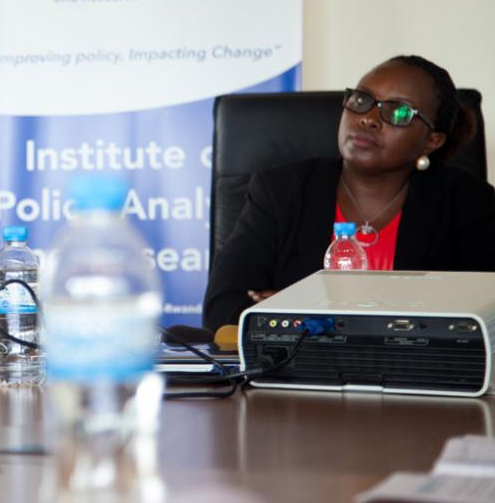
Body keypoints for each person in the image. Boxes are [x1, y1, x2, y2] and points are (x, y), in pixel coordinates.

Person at [203, 55, 495, 333]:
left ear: (432, 141)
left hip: (417, 380)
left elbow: (480, 319)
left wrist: (294, 315)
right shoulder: (281, 189)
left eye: (398, 111)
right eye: (361, 99)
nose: (368, 118)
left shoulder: (469, 203)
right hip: (296, 380)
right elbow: (222, 308)